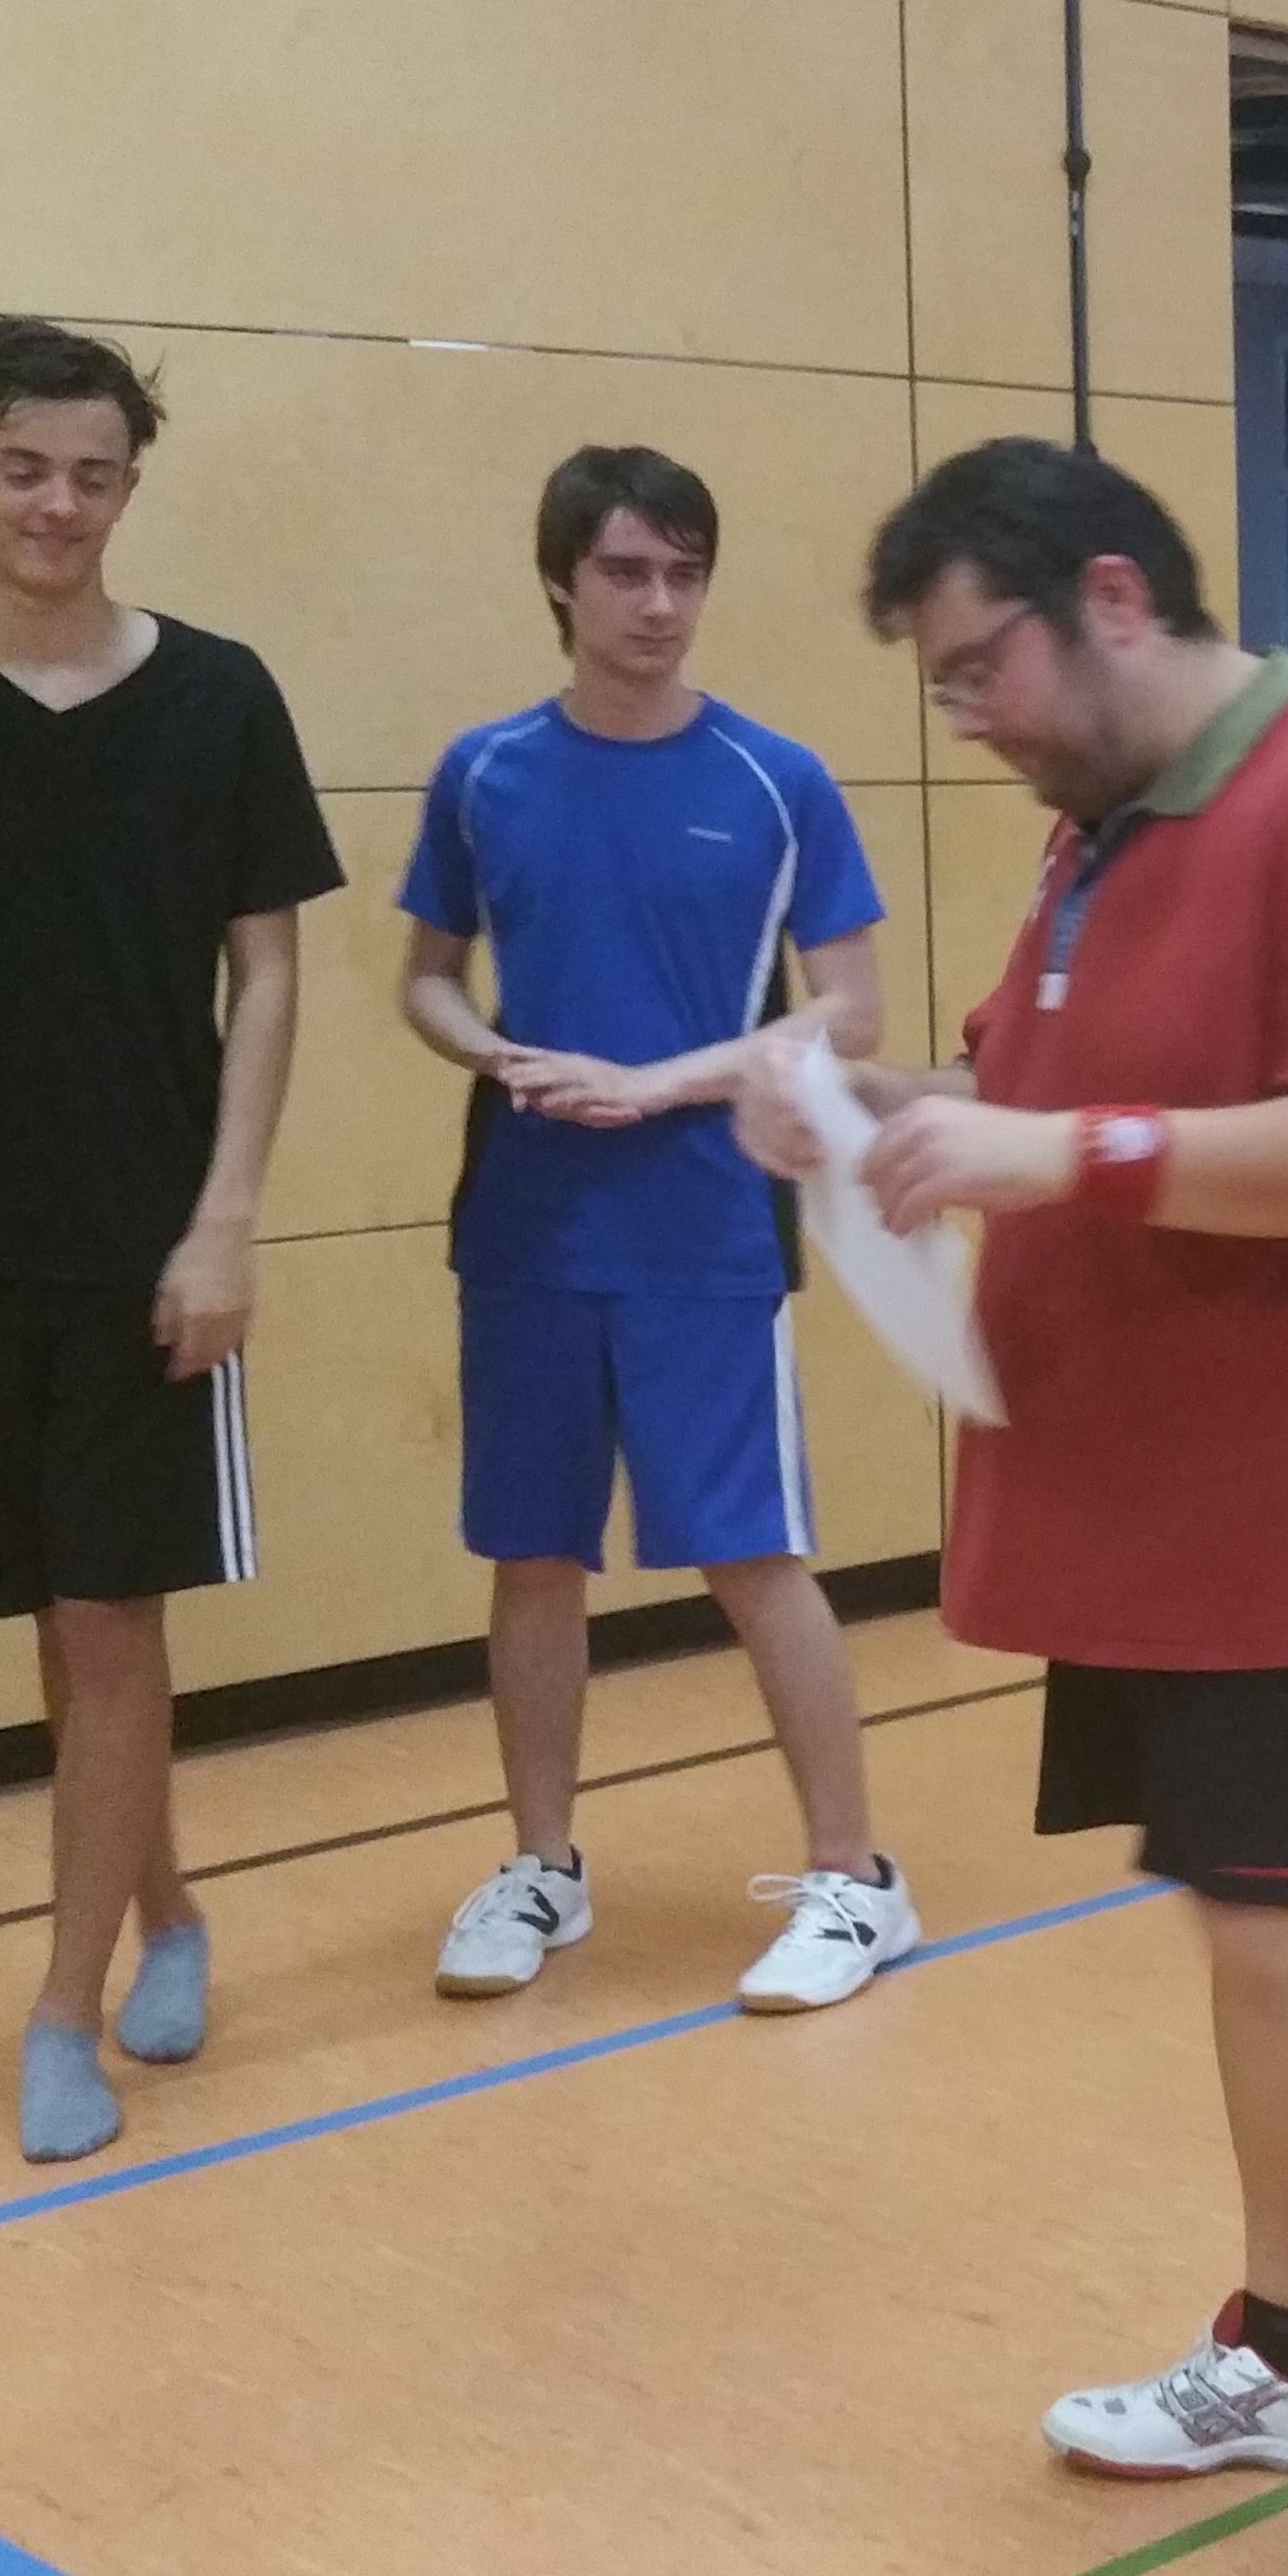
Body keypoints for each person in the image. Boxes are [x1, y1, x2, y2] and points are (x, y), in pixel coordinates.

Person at [735, 438, 1288, 2576]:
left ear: (1110, 598)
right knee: (1253, 1924)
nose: (971, 718)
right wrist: (861, 1111)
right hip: (1191, 1493)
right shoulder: (1108, 831)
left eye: (980, 670)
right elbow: (1043, 1110)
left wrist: (1063, 1153)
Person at [0, 317, 342, 2167]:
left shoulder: (220, 698)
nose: (58, 504)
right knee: (68, 1623)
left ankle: (59, 2006)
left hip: (145, 1247)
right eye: (23, 467)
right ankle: (168, 1909)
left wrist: (227, 1220)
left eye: (95, 475)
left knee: (111, 1619)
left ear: (127, 490)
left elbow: (270, 977)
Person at [396, 446, 905, 2013]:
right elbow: (425, 976)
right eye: (626, 571)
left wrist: (660, 1082)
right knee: (533, 1553)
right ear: (563, 580)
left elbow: (852, 1007)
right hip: (527, 1229)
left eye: (685, 572)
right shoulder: (484, 772)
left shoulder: (774, 779)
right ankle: (542, 1863)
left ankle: (855, 1881)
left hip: (705, 1227)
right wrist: (498, 1054)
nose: (659, 603)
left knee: (752, 1553)